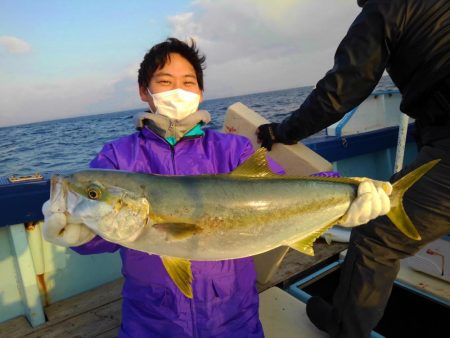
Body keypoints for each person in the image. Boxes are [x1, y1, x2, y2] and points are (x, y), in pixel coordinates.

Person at [42, 38, 390, 337]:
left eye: (188, 82)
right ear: (144, 92)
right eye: (165, 81)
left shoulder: (232, 149)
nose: (178, 91)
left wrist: (353, 191)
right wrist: (80, 233)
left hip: (233, 317)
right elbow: (114, 227)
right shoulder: (117, 157)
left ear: (200, 91)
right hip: (152, 322)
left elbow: (285, 189)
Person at [257, 0, 449, 337]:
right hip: (437, 132)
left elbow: (342, 89)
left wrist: (281, 132)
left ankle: (345, 328)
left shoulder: (385, 9)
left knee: (377, 235)